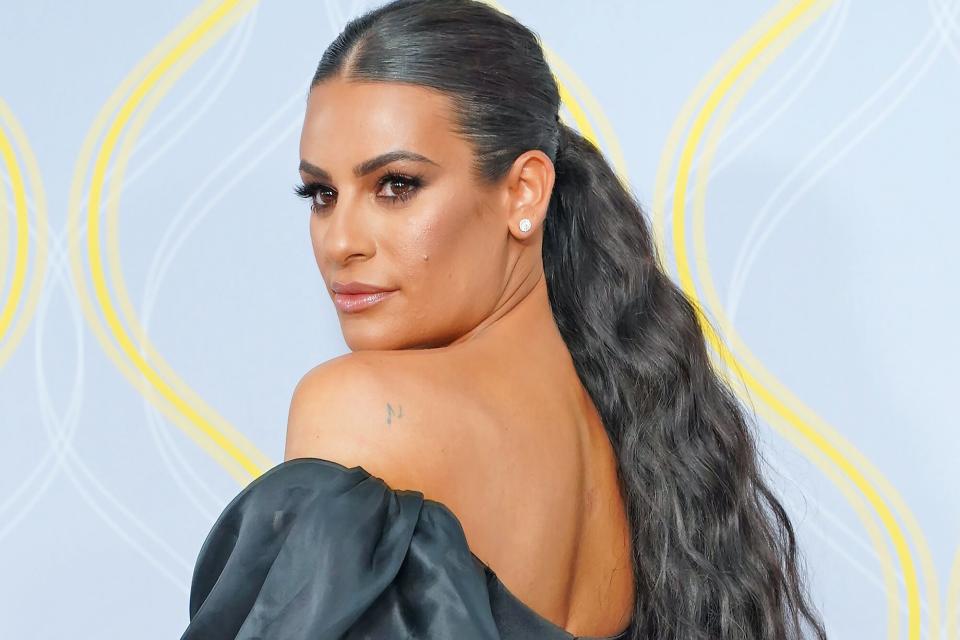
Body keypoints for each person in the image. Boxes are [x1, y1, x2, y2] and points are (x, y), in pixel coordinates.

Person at [180, 1, 829, 638]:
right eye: (321, 193)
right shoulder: (630, 440)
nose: (340, 239)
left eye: (396, 185)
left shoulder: (358, 408)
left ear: (523, 193)